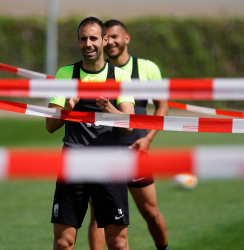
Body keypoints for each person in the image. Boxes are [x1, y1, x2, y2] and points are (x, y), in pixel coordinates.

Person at [46, 17, 135, 250]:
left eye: (94, 38)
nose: (89, 43)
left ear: (104, 40)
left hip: (110, 164)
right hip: (73, 163)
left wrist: (109, 108)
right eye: (84, 38)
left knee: (118, 242)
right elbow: (50, 125)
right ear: (78, 41)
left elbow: (129, 124)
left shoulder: (120, 77)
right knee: (64, 242)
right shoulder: (65, 74)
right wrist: (67, 109)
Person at [87, 19, 169, 250]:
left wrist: (148, 139)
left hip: (135, 149)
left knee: (150, 212)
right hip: (104, 150)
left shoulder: (147, 68)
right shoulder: (97, 70)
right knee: (98, 216)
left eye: (115, 36)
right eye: (107, 37)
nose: (110, 41)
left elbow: (162, 106)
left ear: (126, 38)